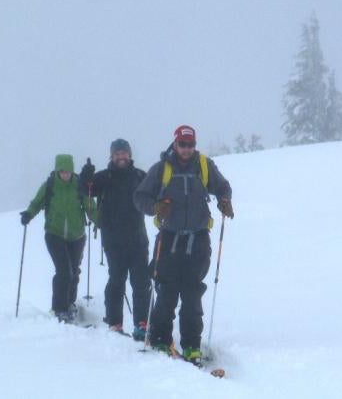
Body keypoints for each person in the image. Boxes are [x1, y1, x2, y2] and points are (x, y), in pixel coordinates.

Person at [134, 125, 234, 364]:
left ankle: (191, 345)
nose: (187, 149)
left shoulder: (204, 166)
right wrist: (155, 207)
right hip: (169, 239)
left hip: (198, 240)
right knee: (167, 292)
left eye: (190, 145)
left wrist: (224, 200)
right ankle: (159, 339)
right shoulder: (162, 169)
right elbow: (140, 197)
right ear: (175, 143)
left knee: (192, 294)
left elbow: (222, 186)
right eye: (182, 144)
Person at [79, 139, 150, 339]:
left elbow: (157, 191)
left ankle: (142, 325)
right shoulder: (104, 177)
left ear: (130, 155)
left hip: (138, 240)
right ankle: (114, 324)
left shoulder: (140, 176)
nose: (121, 157)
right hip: (113, 240)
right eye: (117, 153)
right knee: (117, 281)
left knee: (141, 282)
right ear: (112, 156)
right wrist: (85, 176)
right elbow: (86, 190)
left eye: (124, 153)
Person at [20, 154, 97, 322]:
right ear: (57, 170)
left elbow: (90, 206)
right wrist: (28, 214)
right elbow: (37, 203)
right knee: (64, 271)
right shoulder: (49, 186)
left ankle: (69, 303)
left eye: (68, 171)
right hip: (54, 234)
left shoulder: (79, 185)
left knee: (74, 271)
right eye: (62, 171)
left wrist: (101, 221)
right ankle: (58, 309)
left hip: (77, 236)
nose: (65, 174)